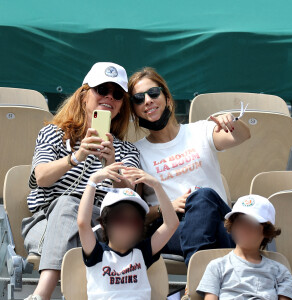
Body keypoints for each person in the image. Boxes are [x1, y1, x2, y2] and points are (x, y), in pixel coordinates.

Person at [23, 62, 140, 300]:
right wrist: (77, 157)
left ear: (121, 106)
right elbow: (41, 178)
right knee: (67, 205)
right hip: (47, 220)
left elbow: (132, 194)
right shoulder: (54, 134)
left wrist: (110, 165)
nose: (109, 97)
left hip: (99, 224)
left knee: (83, 221)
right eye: (101, 90)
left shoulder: (127, 151)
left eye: (117, 94)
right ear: (84, 95)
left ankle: (41, 295)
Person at [128, 67, 251, 266]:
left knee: (203, 197)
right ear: (134, 110)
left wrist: (231, 122)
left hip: (215, 216)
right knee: (232, 235)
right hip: (172, 225)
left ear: (167, 97)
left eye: (153, 93)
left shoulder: (200, 130)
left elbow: (242, 136)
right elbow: (136, 211)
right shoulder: (136, 152)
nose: (147, 100)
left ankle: (195, 283)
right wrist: (165, 208)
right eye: (138, 98)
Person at [78, 163, 179, 299]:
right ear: (103, 223)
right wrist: (93, 181)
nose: (128, 227)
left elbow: (171, 224)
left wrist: (157, 185)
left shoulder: (142, 252)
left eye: (135, 221)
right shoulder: (97, 254)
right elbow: (83, 223)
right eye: (120, 220)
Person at [196, 194, 292, 300]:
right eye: (240, 223)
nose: (244, 229)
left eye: (252, 224)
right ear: (232, 225)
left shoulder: (280, 272)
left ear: (266, 231)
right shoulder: (217, 267)